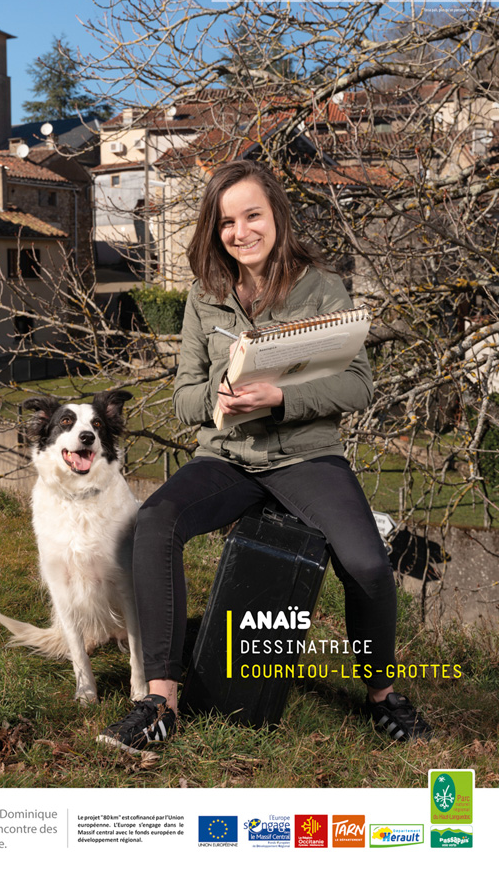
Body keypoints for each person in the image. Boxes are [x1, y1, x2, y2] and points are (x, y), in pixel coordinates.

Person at [97, 159, 432, 754]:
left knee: (370, 565)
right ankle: (160, 700)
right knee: (154, 522)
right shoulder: (205, 295)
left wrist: (282, 397)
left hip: (306, 457)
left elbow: (359, 385)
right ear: (214, 229)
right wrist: (219, 396)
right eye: (227, 221)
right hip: (226, 457)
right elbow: (182, 399)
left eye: (252, 215)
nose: (241, 231)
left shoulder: (322, 288)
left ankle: (383, 694)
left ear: (276, 213)